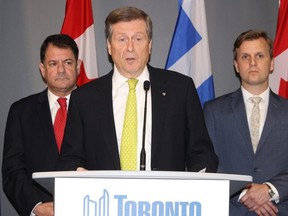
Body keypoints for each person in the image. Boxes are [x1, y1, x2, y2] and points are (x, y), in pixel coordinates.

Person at [58, 6, 218, 173]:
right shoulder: (84, 98)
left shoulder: (180, 89)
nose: (130, 47)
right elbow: (69, 159)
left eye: (138, 39)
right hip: (105, 196)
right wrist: (78, 173)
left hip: (165, 196)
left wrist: (200, 177)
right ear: (109, 46)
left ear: (149, 45)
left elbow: (201, 152)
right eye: (121, 39)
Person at [203, 30, 288, 215]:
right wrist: (241, 193)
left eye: (260, 55)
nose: (253, 63)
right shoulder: (214, 111)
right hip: (231, 209)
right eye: (245, 57)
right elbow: (206, 163)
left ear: (272, 63)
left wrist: (270, 190)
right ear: (236, 65)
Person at [2, 34, 80, 216]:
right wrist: (36, 206)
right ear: (42, 69)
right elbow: (12, 169)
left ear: (78, 66)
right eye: (53, 64)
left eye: (68, 62)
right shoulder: (21, 111)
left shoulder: (97, 108)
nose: (61, 70)